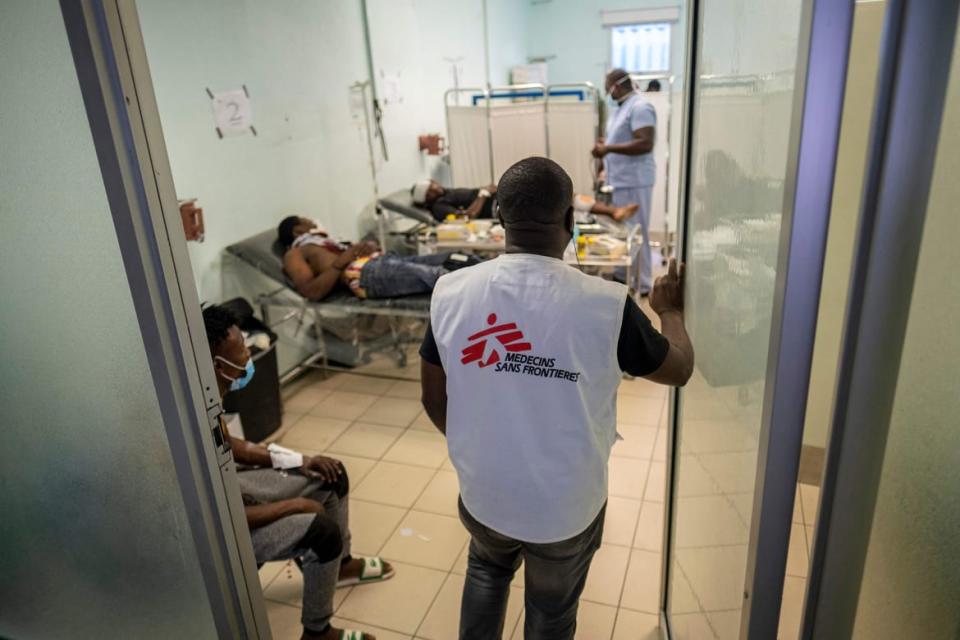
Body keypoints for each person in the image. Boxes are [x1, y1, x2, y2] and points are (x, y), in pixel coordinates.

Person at [418, 157, 694, 640]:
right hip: (563, 507)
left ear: (499, 217)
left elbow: (434, 400)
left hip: (484, 492)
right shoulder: (604, 305)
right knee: (550, 610)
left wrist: (483, 447)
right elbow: (679, 368)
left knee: (486, 572)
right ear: (571, 220)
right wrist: (669, 311)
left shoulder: (451, 292)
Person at [203, 304, 394, 640]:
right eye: (243, 351)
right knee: (321, 532)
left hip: (234, 493)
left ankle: (341, 567)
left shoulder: (208, 398)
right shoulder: (189, 421)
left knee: (330, 476)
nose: (249, 355)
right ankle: (317, 633)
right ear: (218, 365)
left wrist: (300, 460)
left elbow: (233, 446)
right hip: (221, 529)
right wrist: (294, 505)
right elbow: (218, 513)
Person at [278, 216, 478, 301]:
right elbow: (311, 292)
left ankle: (500, 276)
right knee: (442, 277)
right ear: (298, 230)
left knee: (458, 258)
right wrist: (342, 261)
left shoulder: (322, 243)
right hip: (365, 275)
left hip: (379, 262)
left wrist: (366, 247)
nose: (313, 222)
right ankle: (495, 292)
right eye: (307, 220)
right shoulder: (294, 254)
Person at [592, 68, 658, 295]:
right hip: (619, 180)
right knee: (622, 231)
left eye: (607, 87)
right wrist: (607, 145)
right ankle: (624, 275)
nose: (607, 92)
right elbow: (622, 140)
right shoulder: (621, 109)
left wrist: (607, 147)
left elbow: (645, 143)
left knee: (637, 232)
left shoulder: (640, 107)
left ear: (616, 86)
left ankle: (643, 282)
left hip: (635, 181)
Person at [411, 179, 640, 223]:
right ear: (427, 198)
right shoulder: (439, 207)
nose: (436, 186)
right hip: (497, 210)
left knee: (563, 197)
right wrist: (482, 194)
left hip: (501, 198)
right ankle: (612, 212)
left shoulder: (445, 193)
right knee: (557, 199)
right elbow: (466, 218)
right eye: (431, 189)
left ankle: (612, 212)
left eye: (434, 184)